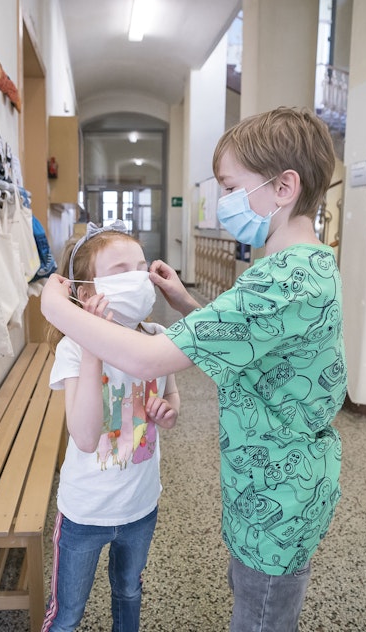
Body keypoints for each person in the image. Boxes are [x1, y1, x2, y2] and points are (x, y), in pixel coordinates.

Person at [41, 106, 347, 631]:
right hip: (268, 480)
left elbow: (147, 358)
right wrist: (185, 302)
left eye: (231, 187)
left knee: (262, 615)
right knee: (254, 598)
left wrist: (56, 309)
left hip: (279, 488)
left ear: (283, 187)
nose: (224, 201)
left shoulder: (285, 280)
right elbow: (251, 334)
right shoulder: (297, 268)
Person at [41, 221, 180, 632]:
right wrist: (91, 347)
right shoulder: (72, 350)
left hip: (140, 506)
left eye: (140, 267)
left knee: (129, 593)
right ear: (86, 293)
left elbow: (172, 401)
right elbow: (84, 438)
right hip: (86, 511)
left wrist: (167, 412)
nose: (138, 279)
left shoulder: (157, 337)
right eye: (121, 271)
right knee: (67, 614)